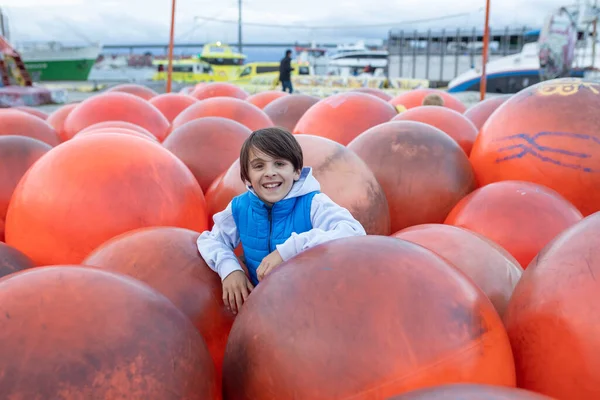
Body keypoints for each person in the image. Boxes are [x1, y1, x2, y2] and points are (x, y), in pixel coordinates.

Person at [197, 127, 366, 314]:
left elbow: (353, 231)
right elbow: (211, 240)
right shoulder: (240, 207)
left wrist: (288, 250)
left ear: (296, 171)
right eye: (259, 166)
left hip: (311, 308)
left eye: (279, 164)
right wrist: (229, 269)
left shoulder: (312, 203)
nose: (270, 172)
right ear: (247, 177)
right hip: (262, 309)